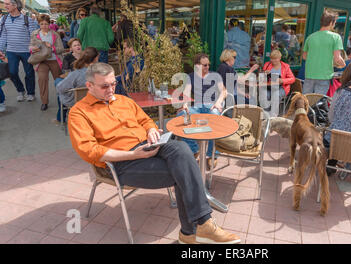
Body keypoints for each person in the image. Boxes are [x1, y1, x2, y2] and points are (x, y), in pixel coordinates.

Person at [68, 63, 240, 245]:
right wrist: (134, 155)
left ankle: (197, 229)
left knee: (182, 150)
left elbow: (145, 120)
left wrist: (150, 130)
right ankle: (196, 229)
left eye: (113, 84)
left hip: (148, 146)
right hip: (122, 161)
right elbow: (89, 151)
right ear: (89, 86)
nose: (111, 89)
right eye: (105, 86)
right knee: (183, 170)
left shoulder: (123, 101)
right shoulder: (79, 113)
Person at [179, 53, 227, 169]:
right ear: (197, 66)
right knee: (182, 115)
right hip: (197, 106)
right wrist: (185, 104)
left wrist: (218, 102)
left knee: (215, 118)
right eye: (204, 65)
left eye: (208, 65)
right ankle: (194, 149)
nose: (207, 67)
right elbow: (186, 93)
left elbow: (224, 91)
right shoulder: (190, 76)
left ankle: (212, 155)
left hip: (212, 105)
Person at [0, 0, 39, 102]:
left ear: (15, 5)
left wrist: (33, 47)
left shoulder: (28, 20)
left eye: (7, 4)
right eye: (5, 3)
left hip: (26, 51)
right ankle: (20, 90)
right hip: (11, 51)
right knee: (12, 72)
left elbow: (33, 36)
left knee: (29, 73)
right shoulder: (3, 19)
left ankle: (31, 93)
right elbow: (3, 36)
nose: (5, 6)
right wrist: (1, 49)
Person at [302, 10, 345, 95]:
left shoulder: (310, 37)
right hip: (324, 75)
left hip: (309, 74)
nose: (335, 24)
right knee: (317, 102)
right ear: (331, 22)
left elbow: (304, 57)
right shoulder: (336, 37)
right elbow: (337, 59)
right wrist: (343, 64)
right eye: (335, 22)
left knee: (305, 100)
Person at [29, 14, 64, 111]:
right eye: (41, 24)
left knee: (59, 81)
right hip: (41, 61)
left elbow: (61, 49)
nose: (44, 26)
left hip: (53, 60)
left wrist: (51, 48)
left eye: (46, 24)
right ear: (39, 24)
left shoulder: (55, 34)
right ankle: (44, 102)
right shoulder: (34, 34)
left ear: (49, 24)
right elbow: (30, 46)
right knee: (42, 80)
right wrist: (33, 49)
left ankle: (61, 99)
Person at [55, 47, 99, 123]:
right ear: (96, 58)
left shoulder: (76, 74)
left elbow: (60, 88)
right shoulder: (101, 72)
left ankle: (60, 118)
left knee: (58, 87)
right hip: (96, 99)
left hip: (76, 101)